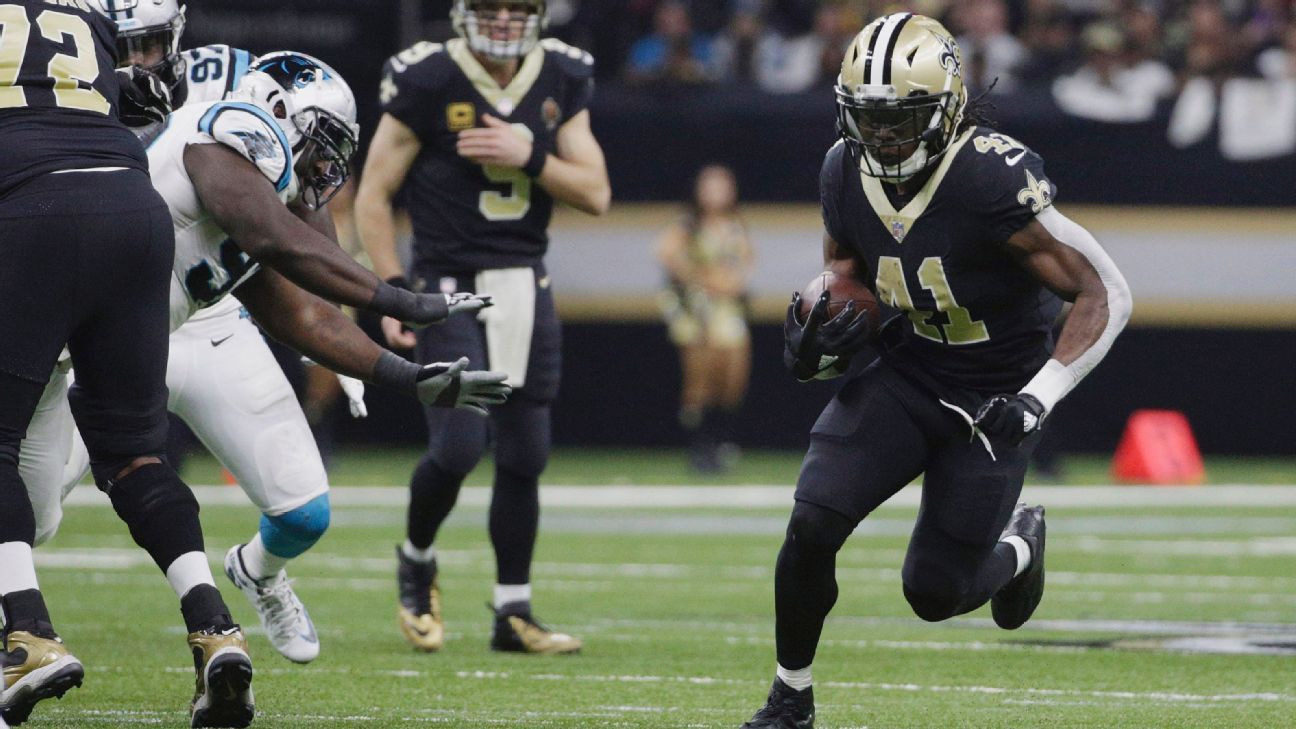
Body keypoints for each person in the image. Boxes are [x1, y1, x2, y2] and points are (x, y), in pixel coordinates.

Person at [741, 13, 1132, 728]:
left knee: (935, 591)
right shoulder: (842, 169)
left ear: (946, 108)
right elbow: (845, 269)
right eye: (870, 119)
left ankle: (1018, 547)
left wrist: (1038, 398)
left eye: (903, 120)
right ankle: (789, 695)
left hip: (993, 397)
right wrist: (822, 326)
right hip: (910, 371)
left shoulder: (987, 174)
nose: (884, 138)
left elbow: (1106, 290)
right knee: (811, 520)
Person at [0, 1, 239, 725]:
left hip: (33, 209)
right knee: (137, 456)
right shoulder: (82, 19)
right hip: (134, 210)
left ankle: (27, 634)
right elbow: (139, 98)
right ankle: (215, 629)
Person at [356, 0, 610, 654]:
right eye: (490, 6)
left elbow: (596, 192)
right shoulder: (429, 74)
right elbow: (373, 193)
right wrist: (392, 292)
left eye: (517, 7)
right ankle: (416, 558)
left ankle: (512, 611)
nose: (503, 19)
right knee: (460, 446)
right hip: (447, 285)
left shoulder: (560, 72)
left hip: (526, 279)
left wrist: (529, 155)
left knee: (527, 454)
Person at [656, 164, 754, 473]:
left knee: (733, 377)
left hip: (727, 311)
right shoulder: (688, 225)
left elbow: (745, 265)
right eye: (710, 186)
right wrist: (700, 278)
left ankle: (723, 441)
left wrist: (729, 282)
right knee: (699, 378)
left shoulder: (735, 226)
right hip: (697, 312)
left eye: (722, 186)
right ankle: (699, 447)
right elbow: (665, 254)